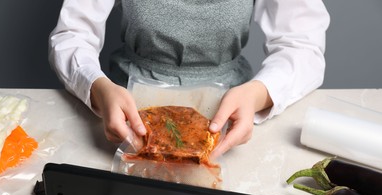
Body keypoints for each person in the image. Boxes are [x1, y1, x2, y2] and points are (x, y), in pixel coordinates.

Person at [49, 0, 330, 158]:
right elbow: (72, 35)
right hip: (126, 114)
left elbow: (302, 46)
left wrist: (258, 94)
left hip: (230, 123)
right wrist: (98, 88)